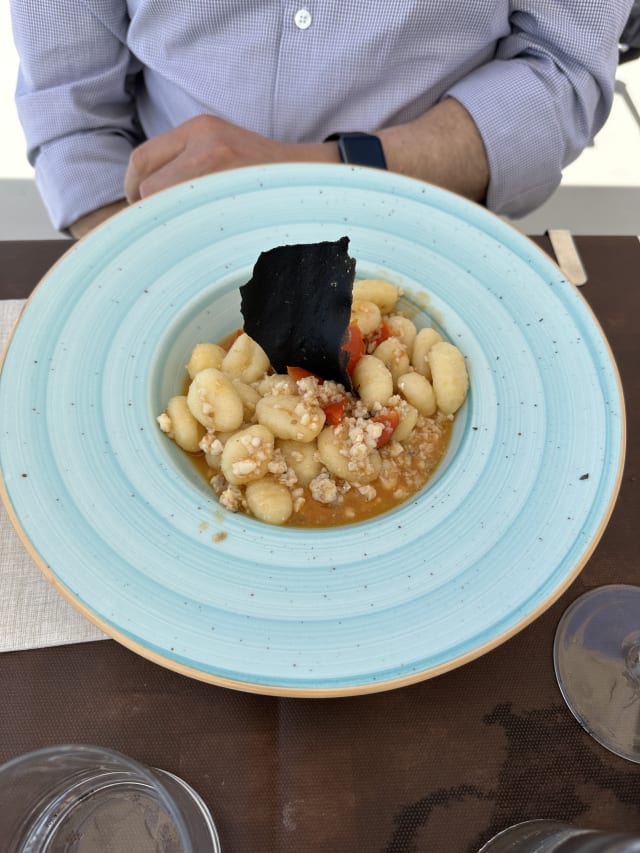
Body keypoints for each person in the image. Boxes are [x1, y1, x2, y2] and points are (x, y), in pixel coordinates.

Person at [10, 1, 633, 239]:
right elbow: (73, 112)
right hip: (169, 239)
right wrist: (143, 281)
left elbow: (562, 69)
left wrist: (319, 169)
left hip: (440, 234)